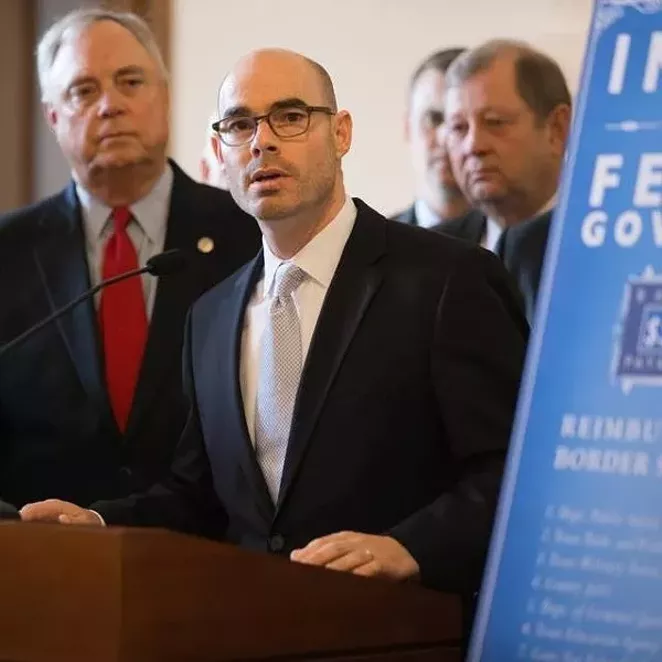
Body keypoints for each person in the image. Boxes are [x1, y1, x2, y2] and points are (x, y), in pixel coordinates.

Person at [22, 49, 528, 610]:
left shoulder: (446, 279)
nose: (262, 141)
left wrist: (410, 547)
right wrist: (96, 521)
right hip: (250, 627)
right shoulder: (210, 316)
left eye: (290, 117)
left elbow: (512, 468)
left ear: (341, 133)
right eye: (240, 125)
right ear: (220, 152)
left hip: (400, 628)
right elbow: (199, 498)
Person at [0, 8, 260, 508]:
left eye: (130, 81)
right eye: (83, 91)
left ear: (164, 96)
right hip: (43, 555)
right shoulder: (8, 252)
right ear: (53, 118)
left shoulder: (245, 232)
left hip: (211, 552)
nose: (110, 106)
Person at [443, 39, 570, 267]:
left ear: (556, 129)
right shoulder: (431, 254)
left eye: (495, 122)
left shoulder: (604, 245)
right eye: (459, 128)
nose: (473, 146)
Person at [391, 47, 485, 243]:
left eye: (458, 123)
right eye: (433, 118)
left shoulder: (518, 247)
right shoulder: (371, 245)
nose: (445, 137)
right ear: (408, 128)